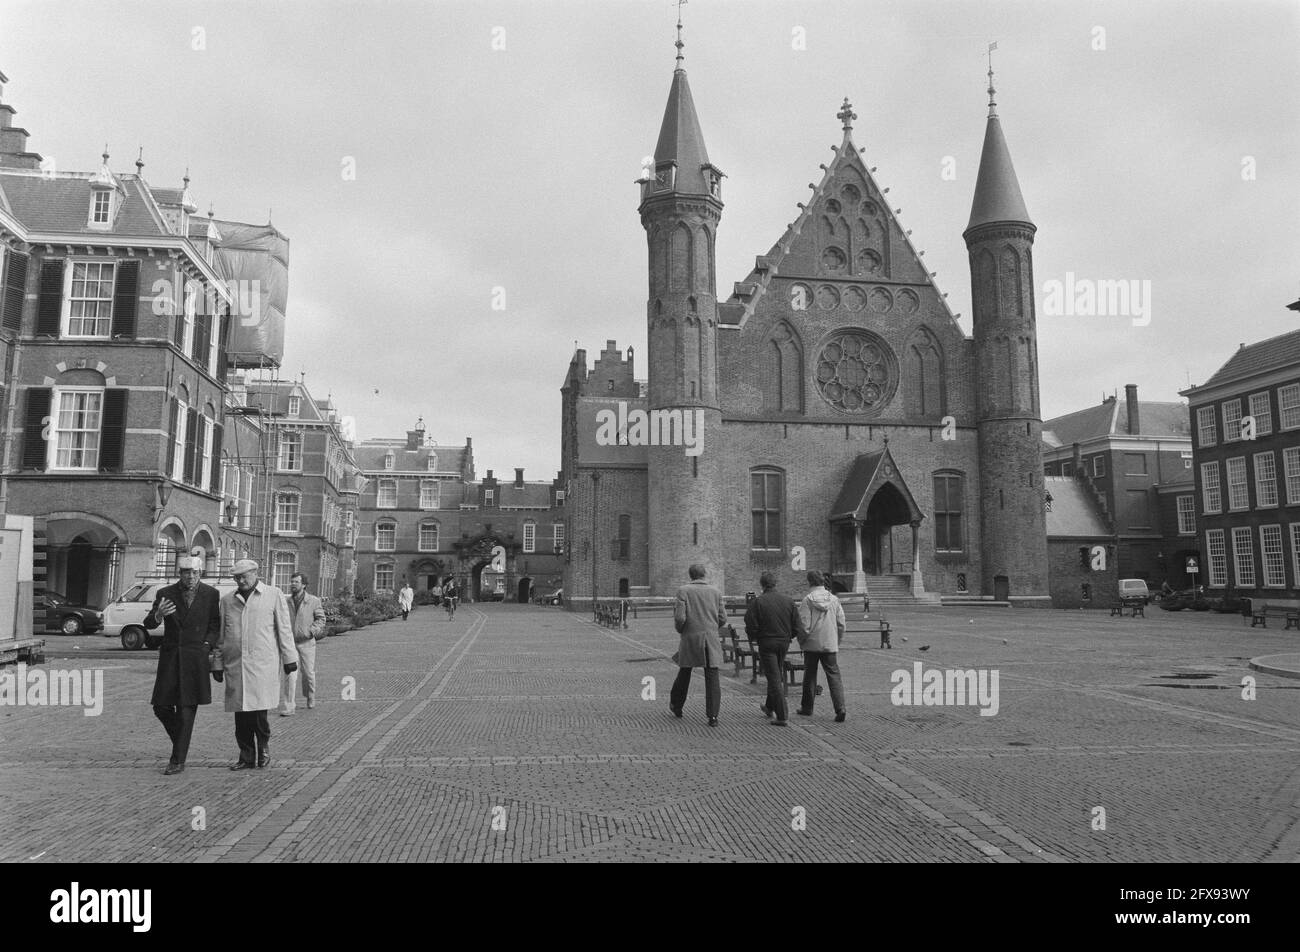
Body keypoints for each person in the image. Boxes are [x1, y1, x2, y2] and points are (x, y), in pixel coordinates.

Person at [143, 555, 221, 775]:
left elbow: (215, 624)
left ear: (200, 573)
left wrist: (207, 644)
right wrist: (158, 615)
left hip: (196, 658)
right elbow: (149, 623)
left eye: (195, 572)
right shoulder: (165, 594)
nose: (191, 576)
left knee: (187, 708)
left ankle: (177, 760)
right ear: (180, 573)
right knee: (161, 706)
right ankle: (182, 737)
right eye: (186, 572)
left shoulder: (210, 594)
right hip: (171, 657)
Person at [218, 560, 297, 770]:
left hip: (263, 664)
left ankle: (263, 750)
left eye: (245, 576)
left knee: (260, 713)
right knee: (241, 715)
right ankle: (245, 756)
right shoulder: (227, 601)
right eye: (237, 578)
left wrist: (290, 658)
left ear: (255, 574)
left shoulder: (273, 595)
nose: (241, 581)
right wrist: (217, 662)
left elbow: (284, 629)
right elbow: (221, 635)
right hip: (236, 665)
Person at [744, 571, 806, 726]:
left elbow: (750, 624)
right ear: (775, 583)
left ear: (762, 585)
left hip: (767, 642)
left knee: (773, 677)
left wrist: (755, 637)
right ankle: (769, 706)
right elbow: (797, 624)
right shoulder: (788, 601)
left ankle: (782, 715)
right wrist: (789, 636)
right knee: (776, 672)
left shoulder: (758, 602)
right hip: (783, 642)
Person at [670, 563, 727, 726]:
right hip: (710, 638)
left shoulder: (684, 591)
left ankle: (676, 706)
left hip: (690, 637)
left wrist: (682, 630)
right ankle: (713, 716)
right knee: (712, 675)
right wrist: (712, 627)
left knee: (685, 672)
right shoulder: (716, 592)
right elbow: (723, 618)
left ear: (691, 575)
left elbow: (680, 617)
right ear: (704, 575)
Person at [797, 571, 847, 722]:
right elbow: (841, 624)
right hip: (829, 642)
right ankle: (840, 708)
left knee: (810, 675)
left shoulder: (807, 600)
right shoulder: (834, 599)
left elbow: (804, 626)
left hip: (812, 643)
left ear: (809, 582)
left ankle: (807, 707)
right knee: (833, 675)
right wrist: (836, 641)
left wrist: (802, 641)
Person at [278, 573, 325, 717]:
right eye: (292, 581)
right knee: (290, 675)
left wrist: (312, 631)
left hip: (307, 643)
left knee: (308, 674)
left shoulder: (313, 601)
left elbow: (321, 619)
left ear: (303, 584)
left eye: (296, 582)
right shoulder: (285, 602)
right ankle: (289, 705)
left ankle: (310, 696)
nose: (293, 584)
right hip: (290, 644)